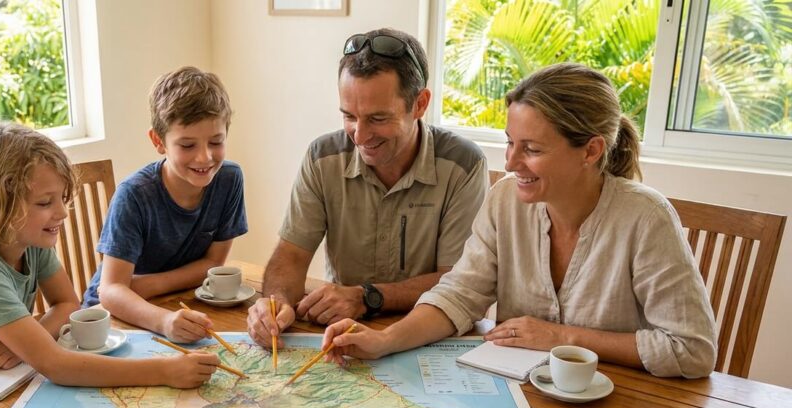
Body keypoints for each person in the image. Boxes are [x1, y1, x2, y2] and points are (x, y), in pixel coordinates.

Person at [321, 63, 717, 379]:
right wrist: (384, 340)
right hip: (520, 401)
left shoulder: (646, 217)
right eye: (510, 142)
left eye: (531, 149)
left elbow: (692, 350)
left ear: (591, 150)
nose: (510, 163)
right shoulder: (504, 200)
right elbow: (459, 295)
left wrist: (561, 338)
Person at [0, 121, 219, 387]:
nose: (62, 212)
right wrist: (164, 372)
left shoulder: (27, 240)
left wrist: (25, 341)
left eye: (62, 198)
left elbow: (68, 304)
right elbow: (57, 365)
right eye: (45, 203)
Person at [246, 28, 487, 348]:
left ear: (419, 104)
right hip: (342, 333)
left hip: (429, 332)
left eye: (377, 118)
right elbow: (290, 255)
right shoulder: (322, 157)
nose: (359, 135)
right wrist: (276, 304)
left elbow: (456, 280)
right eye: (349, 116)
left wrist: (368, 297)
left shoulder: (464, 164)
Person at [82, 66, 247, 343]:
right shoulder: (134, 195)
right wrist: (163, 319)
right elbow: (110, 292)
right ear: (158, 141)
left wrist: (144, 285)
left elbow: (214, 262)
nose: (205, 158)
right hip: (113, 319)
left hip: (173, 302)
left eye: (216, 142)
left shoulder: (229, 179)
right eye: (187, 145)